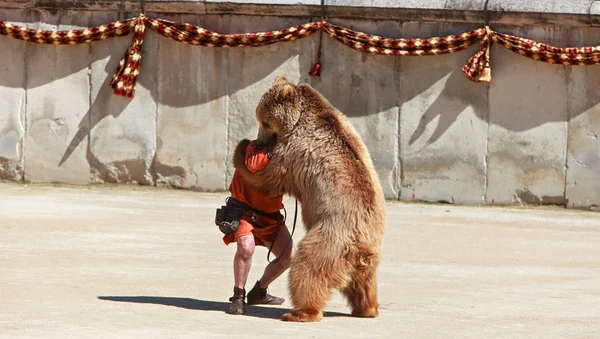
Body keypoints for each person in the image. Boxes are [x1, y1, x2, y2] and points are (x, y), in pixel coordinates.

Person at [222, 139, 295, 315]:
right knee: (246, 249)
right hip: (244, 211)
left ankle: (259, 292)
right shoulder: (254, 148)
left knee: (289, 257)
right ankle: (238, 296)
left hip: (271, 216)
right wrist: (274, 148)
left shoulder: (288, 155)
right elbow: (254, 166)